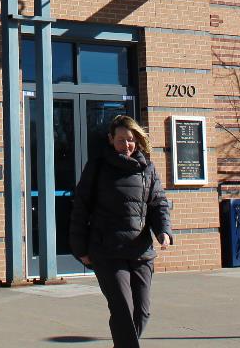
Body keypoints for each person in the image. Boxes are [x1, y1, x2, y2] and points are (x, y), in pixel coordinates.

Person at [70, 114, 173, 348]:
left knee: (142, 312)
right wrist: (80, 249)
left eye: (130, 140)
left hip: (141, 252)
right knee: (123, 310)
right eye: (120, 140)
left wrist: (163, 231)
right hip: (107, 252)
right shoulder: (97, 168)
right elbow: (80, 209)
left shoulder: (148, 168)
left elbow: (158, 204)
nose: (126, 145)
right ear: (110, 139)